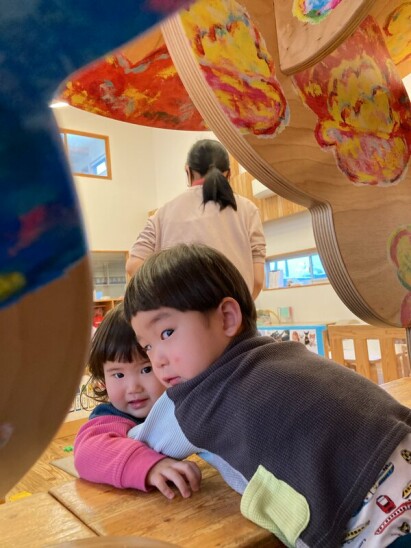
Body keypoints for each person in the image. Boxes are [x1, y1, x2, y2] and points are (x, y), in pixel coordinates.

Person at [123, 243, 411, 548]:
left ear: (227, 318)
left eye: (167, 333)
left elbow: (128, 444)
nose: (157, 360)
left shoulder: (195, 401)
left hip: (377, 522)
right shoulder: (284, 353)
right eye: (147, 347)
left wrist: (112, 420)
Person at [74, 303, 201, 500]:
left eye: (146, 369)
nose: (133, 388)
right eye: (118, 375)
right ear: (103, 379)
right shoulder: (110, 418)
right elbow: (85, 455)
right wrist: (150, 465)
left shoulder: (180, 400)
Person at [125, 139, 266, 299]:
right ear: (228, 173)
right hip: (234, 308)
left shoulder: (163, 213)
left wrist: (170, 295)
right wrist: (240, 306)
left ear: (188, 171)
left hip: (181, 308)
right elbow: (257, 280)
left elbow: (133, 265)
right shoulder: (248, 210)